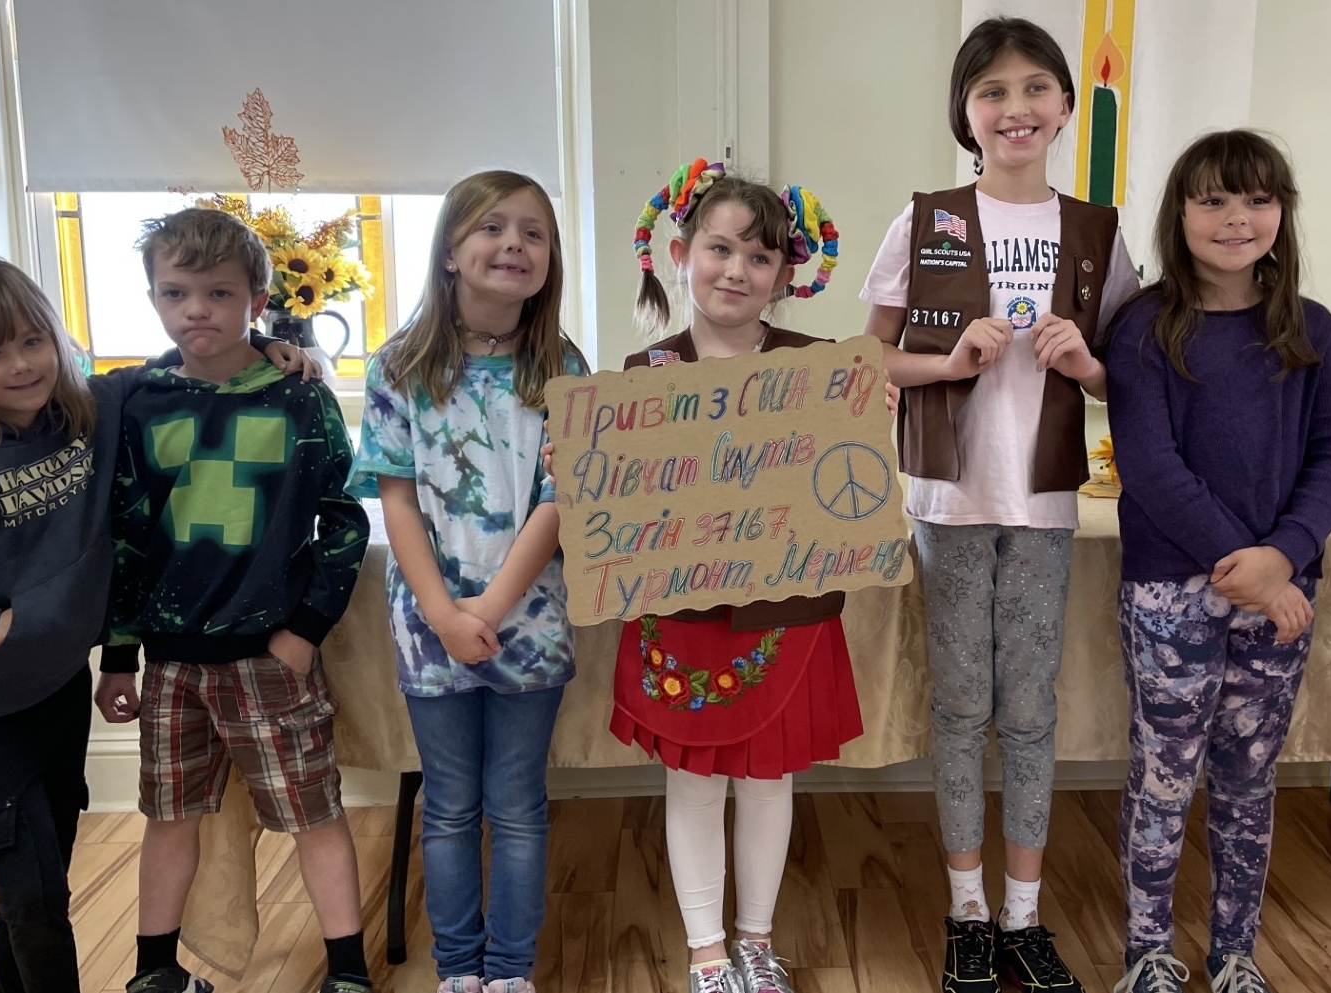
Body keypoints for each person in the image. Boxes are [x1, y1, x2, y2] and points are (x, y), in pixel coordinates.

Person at [0, 257, 313, 993]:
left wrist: (267, 345)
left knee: (40, 878)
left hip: (57, 691)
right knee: (34, 895)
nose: (21, 365)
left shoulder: (90, 412)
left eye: (33, 341)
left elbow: (184, 359)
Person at [860, 16, 1138, 992]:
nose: (1013, 107)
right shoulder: (925, 220)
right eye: (991, 91)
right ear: (965, 113)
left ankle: (1022, 915)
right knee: (960, 706)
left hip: (1043, 505)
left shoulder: (1098, 232)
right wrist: (947, 362)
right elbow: (867, 358)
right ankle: (966, 912)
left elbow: (1128, 378)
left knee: (1027, 710)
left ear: (1062, 108)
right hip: (947, 499)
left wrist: (1086, 363)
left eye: (1032, 88)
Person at [1103, 130, 1331, 993]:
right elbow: (1149, 464)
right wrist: (1238, 559)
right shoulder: (1141, 326)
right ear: (1179, 214)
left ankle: (1235, 952)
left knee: (1248, 779)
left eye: (1255, 198)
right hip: (1170, 589)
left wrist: (1281, 557)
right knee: (1164, 776)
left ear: (1281, 212)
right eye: (1212, 199)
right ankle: (1146, 952)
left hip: (1280, 590)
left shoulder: (1311, 329)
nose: (1235, 217)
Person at [96, 207, 371, 993]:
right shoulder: (137, 401)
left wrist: (305, 629)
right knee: (169, 816)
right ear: (152, 296)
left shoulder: (298, 394)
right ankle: (154, 971)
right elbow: (125, 536)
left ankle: (347, 972)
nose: (195, 310)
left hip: (267, 655)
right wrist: (119, 657)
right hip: (171, 662)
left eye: (218, 293)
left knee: (313, 813)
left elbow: (344, 519)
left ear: (256, 299)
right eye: (174, 293)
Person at [610, 158, 860, 993]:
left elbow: (841, 484)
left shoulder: (819, 366)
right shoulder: (643, 376)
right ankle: (707, 951)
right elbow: (625, 502)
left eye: (759, 256)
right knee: (692, 780)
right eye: (719, 249)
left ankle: (755, 939)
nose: (736, 270)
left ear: (784, 275)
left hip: (782, 613)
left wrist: (866, 426)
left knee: (767, 778)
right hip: (683, 616)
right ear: (681, 254)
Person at [347, 170, 584, 993]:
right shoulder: (399, 366)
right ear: (449, 250)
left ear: (549, 259)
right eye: (491, 227)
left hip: (531, 622)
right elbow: (397, 501)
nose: (513, 244)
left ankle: (510, 971)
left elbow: (560, 497)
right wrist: (444, 612)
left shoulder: (562, 365)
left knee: (516, 803)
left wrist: (492, 603)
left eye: (533, 232)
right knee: (448, 805)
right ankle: (458, 970)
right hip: (429, 625)